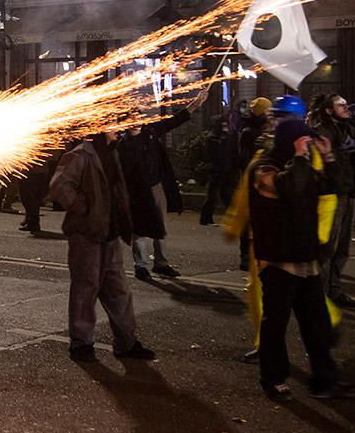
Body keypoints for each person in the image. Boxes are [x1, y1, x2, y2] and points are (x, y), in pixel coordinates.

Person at [250, 119, 355, 401]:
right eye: (304, 141)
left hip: (305, 259)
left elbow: (333, 185)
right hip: (278, 261)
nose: (308, 146)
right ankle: (273, 379)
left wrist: (329, 155)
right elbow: (288, 187)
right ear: (290, 141)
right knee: (276, 324)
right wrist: (298, 157)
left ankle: (324, 379)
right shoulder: (265, 168)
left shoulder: (303, 166)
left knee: (316, 324)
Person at [48, 127, 155, 363]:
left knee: (118, 291)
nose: (121, 128)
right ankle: (81, 343)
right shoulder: (81, 154)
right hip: (87, 234)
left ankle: (126, 342)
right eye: (116, 123)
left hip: (110, 233)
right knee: (85, 289)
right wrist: (84, 209)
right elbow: (59, 186)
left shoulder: (113, 152)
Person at [118, 89, 207, 280]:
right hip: (137, 192)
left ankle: (161, 263)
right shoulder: (122, 144)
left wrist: (196, 103)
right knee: (140, 229)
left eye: (138, 115)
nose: (137, 120)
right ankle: (140, 266)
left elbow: (174, 121)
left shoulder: (150, 131)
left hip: (156, 186)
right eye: (132, 117)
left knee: (160, 226)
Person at [307, 93, 355, 308]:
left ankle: (334, 290)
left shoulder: (348, 131)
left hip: (348, 193)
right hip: (330, 195)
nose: (346, 108)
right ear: (328, 110)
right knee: (327, 247)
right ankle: (317, 292)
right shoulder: (321, 132)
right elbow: (321, 166)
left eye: (346, 104)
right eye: (340, 105)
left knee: (342, 248)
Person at [200, 115, 237, 226]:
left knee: (225, 194)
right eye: (223, 124)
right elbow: (212, 154)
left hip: (224, 169)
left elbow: (229, 152)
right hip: (216, 169)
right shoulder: (213, 137)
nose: (225, 126)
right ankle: (206, 218)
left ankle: (230, 218)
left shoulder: (225, 136)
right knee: (213, 194)